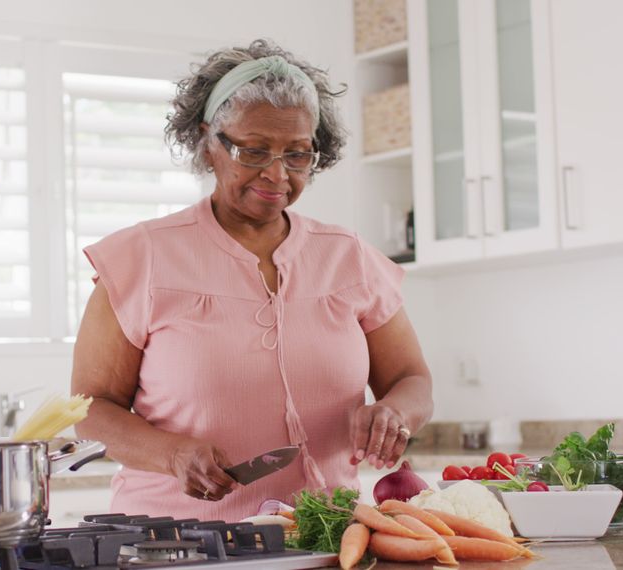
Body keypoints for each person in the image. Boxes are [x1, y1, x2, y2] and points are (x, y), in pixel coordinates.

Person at [72, 39, 433, 521]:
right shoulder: (140, 257)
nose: (277, 174)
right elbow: (91, 411)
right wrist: (172, 454)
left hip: (321, 537)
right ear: (208, 141)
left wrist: (395, 414)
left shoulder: (349, 257)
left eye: (298, 154)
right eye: (254, 151)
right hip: (174, 543)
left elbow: (412, 380)